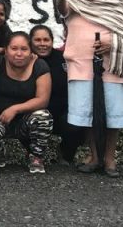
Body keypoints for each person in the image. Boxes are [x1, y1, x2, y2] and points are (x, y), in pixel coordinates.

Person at [55, 0, 123, 177]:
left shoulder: (114, 6)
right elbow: (61, 9)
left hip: (112, 66)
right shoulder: (72, 3)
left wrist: (112, 44)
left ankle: (110, 159)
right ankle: (94, 156)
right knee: (88, 114)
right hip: (80, 67)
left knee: (112, 115)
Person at [0, 31, 53, 174]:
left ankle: (36, 157)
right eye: (14, 49)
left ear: (31, 52)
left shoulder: (39, 66)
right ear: (5, 51)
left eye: (24, 49)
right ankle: (0, 153)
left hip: (24, 122)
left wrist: (15, 109)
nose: (19, 53)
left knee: (43, 116)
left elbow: (43, 100)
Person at [29, 25, 84, 167]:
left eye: (46, 40)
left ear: (52, 41)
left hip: (62, 112)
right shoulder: (25, 60)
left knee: (75, 122)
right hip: (34, 113)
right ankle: (32, 154)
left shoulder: (63, 59)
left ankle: (66, 154)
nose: (42, 44)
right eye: (38, 40)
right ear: (30, 42)